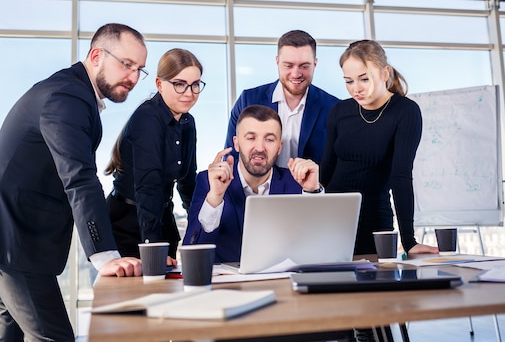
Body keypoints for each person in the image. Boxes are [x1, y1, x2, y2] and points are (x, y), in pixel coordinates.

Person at [0, 23, 147, 342]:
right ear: (96, 55)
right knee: (53, 338)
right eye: (126, 64)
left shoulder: (74, 94)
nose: (132, 76)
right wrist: (105, 255)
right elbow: (79, 178)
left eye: (139, 69)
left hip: (7, 234)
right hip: (13, 237)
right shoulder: (68, 97)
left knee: (8, 336)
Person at [320, 39, 438, 258]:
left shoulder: (405, 111)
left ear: (385, 73)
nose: (356, 88)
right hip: (332, 223)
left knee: (374, 289)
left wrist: (409, 241)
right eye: (349, 81)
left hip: (374, 224)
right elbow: (326, 174)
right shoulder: (339, 111)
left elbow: (401, 177)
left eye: (364, 79)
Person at [185, 105, 322, 263]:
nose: (260, 148)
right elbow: (192, 252)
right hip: (227, 285)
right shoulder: (208, 181)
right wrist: (215, 198)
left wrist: (312, 192)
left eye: (269, 139)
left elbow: (318, 249)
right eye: (251, 138)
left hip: (281, 283)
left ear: (279, 147)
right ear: (236, 143)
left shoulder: (297, 183)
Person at [105, 48, 204, 263]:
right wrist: (154, 249)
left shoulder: (188, 123)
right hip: (127, 225)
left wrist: (200, 229)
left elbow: (187, 184)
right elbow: (147, 186)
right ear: (159, 84)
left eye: (195, 84)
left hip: (162, 219)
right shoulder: (148, 119)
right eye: (179, 84)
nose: (189, 93)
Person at [225, 29, 339, 167]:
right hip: (257, 188)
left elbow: (336, 165)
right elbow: (231, 158)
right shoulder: (248, 100)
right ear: (277, 61)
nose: (296, 74)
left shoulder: (333, 108)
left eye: (304, 66)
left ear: (315, 64)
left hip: (312, 188)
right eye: (288, 65)